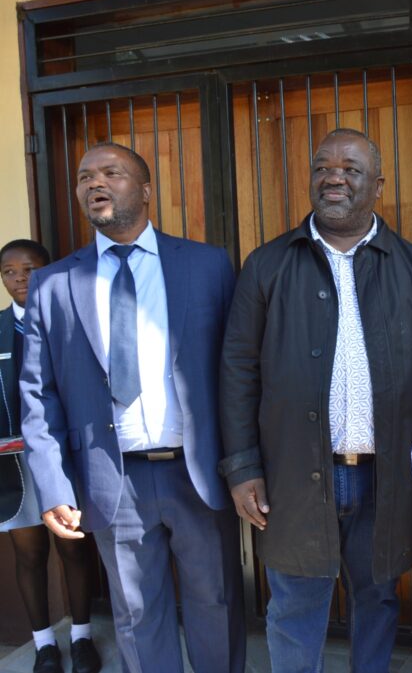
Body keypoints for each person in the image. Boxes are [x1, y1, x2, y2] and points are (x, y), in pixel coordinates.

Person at [219, 127, 412, 673]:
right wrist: (241, 466)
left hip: (387, 476)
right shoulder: (268, 264)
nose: (334, 176)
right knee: (296, 606)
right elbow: (237, 371)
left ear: (377, 183)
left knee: (378, 599)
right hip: (295, 474)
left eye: (350, 168)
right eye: (323, 165)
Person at [20, 142, 245, 673]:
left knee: (217, 605)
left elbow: (240, 372)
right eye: (83, 177)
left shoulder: (208, 265)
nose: (93, 183)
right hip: (111, 480)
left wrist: (247, 465)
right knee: (136, 617)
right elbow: (37, 393)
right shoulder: (53, 284)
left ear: (145, 189)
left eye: (110, 173)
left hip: (199, 474)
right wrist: (53, 485)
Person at [0, 239, 101, 673]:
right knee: (28, 555)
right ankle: (44, 643)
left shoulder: (70, 320)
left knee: (74, 549)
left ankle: (81, 637)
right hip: (13, 464)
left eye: (30, 269)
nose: (20, 278)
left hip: (61, 456)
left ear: (48, 270)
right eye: (9, 271)